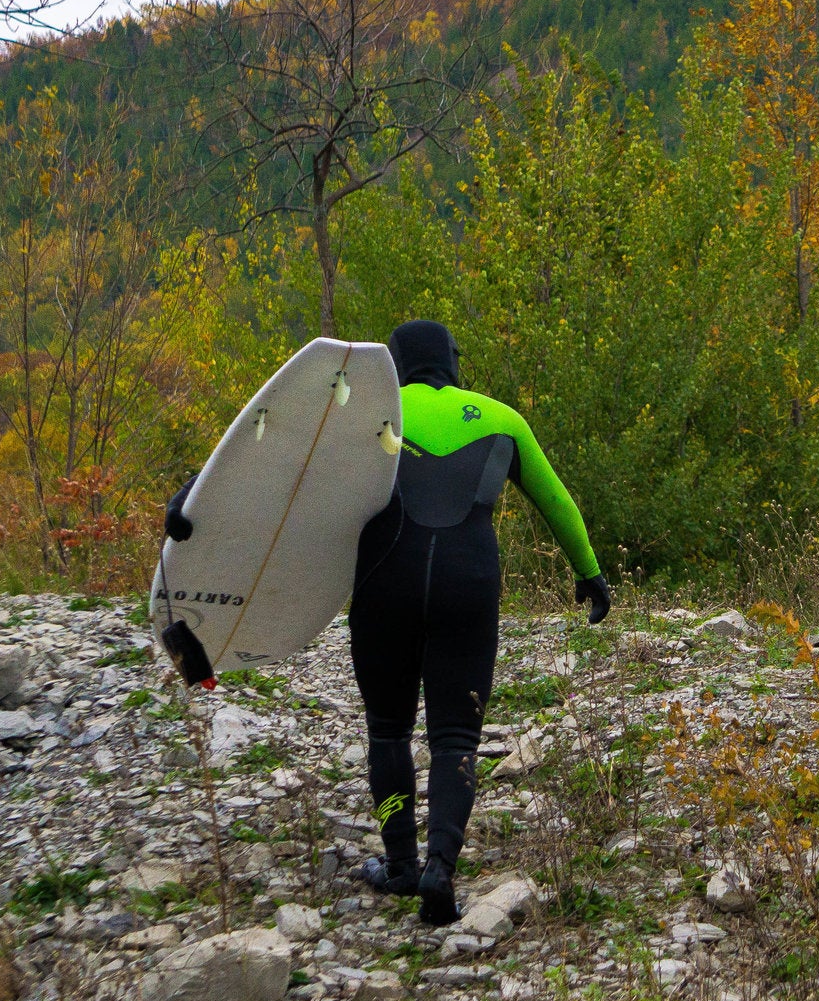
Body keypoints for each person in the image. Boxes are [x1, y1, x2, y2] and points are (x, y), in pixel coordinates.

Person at [165, 320, 609, 926]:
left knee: (389, 728)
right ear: (454, 362)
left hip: (386, 579)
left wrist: (194, 496)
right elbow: (557, 502)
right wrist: (589, 574)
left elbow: (273, 466)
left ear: (394, 367)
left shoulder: (365, 417)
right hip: (469, 582)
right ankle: (441, 871)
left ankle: (400, 862)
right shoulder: (504, 420)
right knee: (456, 736)